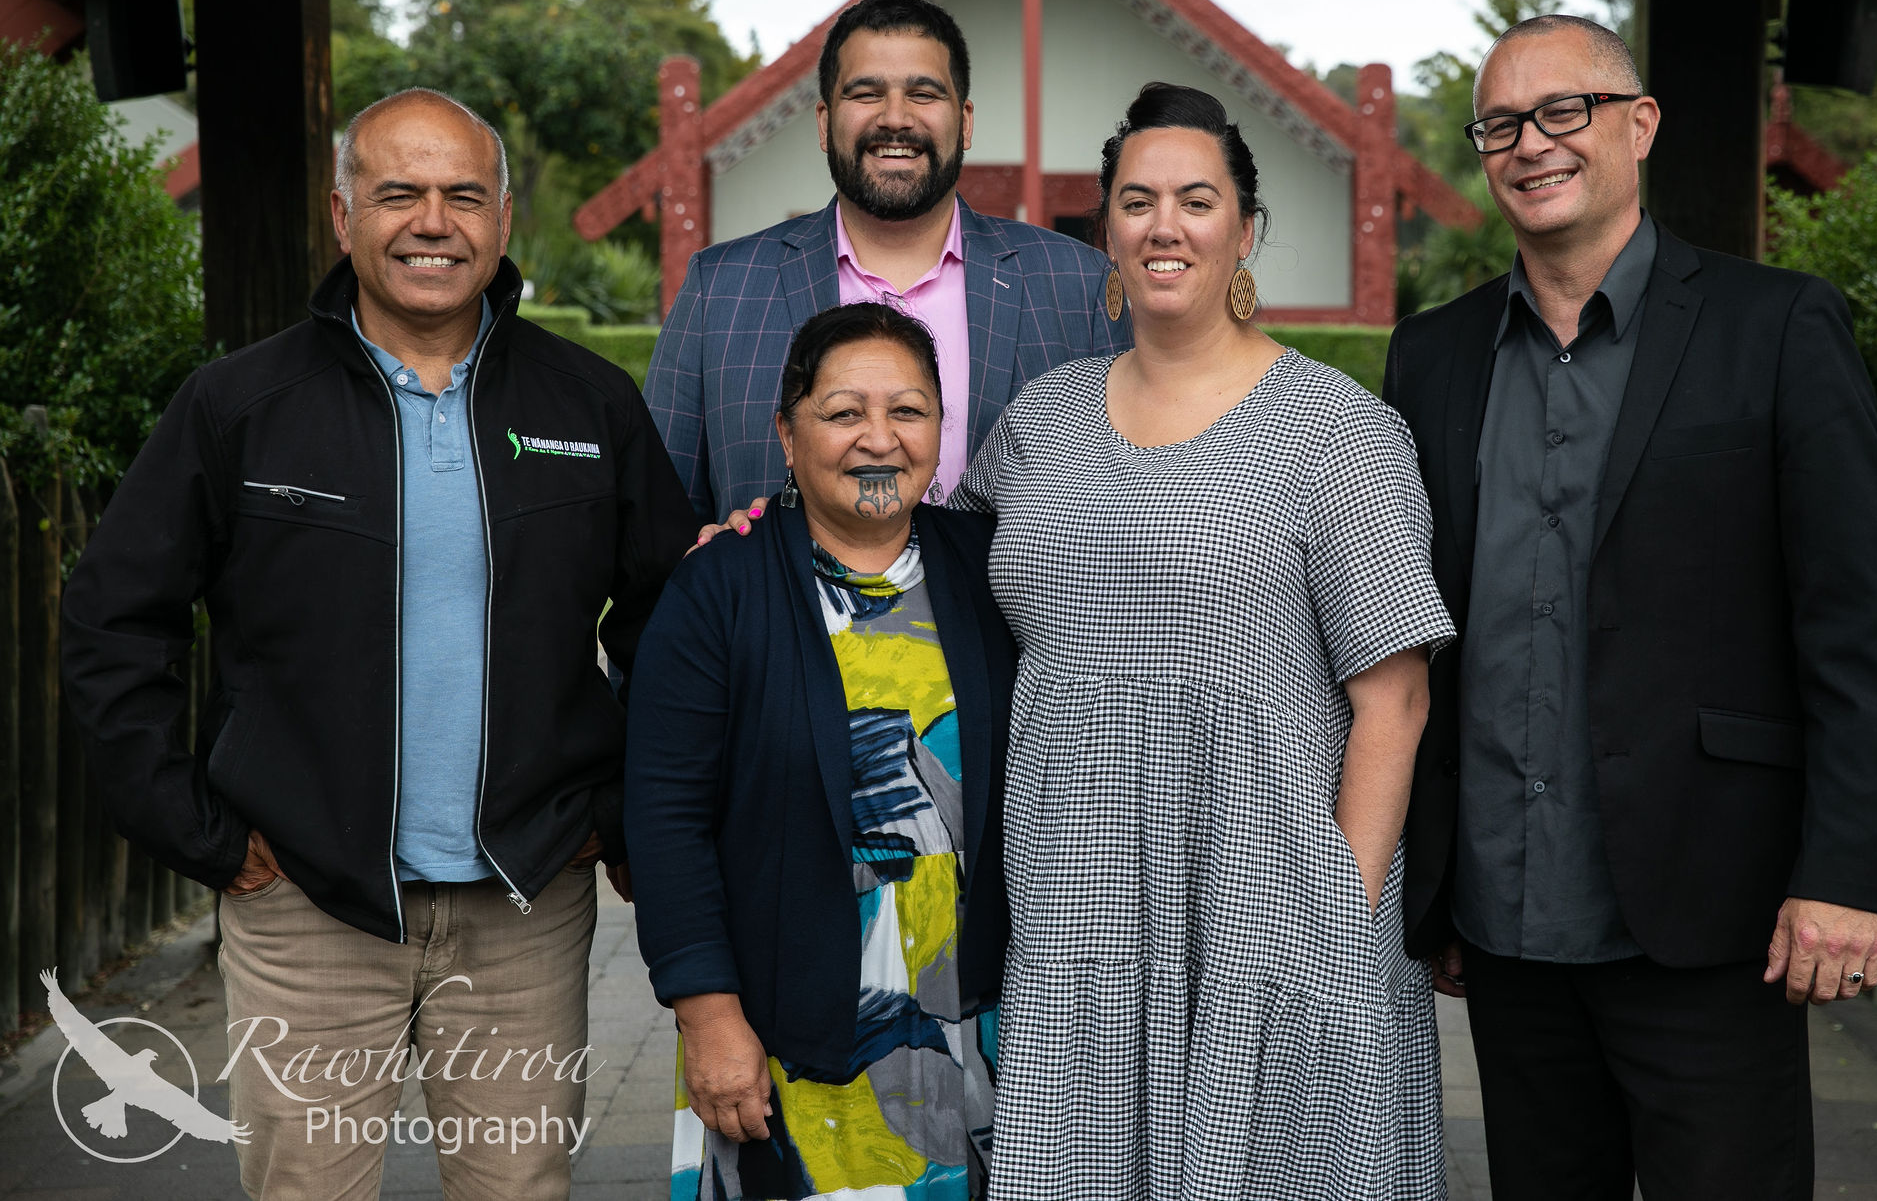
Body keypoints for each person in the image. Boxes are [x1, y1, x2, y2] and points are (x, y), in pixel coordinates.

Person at [60, 88, 691, 1200]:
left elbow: (671, 624)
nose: (431, 222)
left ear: (502, 220)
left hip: (522, 912)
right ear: (343, 211)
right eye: (398, 193)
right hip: (305, 902)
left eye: (462, 195)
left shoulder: (589, 404)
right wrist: (193, 825)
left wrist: (610, 814)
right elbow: (114, 618)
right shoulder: (239, 406)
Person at [1381, 15, 1877, 1200]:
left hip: (1712, 911)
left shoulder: (1775, 326)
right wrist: (1432, 877)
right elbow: (1420, 631)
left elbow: (1859, 631)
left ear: (1638, 124)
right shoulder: (1431, 357)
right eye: (1500, 125)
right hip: (1506, 921)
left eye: (1561, 111)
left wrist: (1843, 872)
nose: (1531, 144)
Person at [953, 83, 1457, 1198]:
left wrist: (1340, 907)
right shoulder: (1036, 423)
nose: (1163, 226)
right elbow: (931, 593)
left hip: (1268, 900)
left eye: (1194, 199)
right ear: (1105, 231)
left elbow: (1395, 700)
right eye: (1135, 202)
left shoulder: (1338, 433)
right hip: (1076, 905)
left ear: (1242, 227)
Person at [626, 302, 1014, 1200]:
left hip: (975, 1026)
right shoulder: (719, 586)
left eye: (908, 411)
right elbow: (666, 816)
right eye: (843, 412)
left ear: (941, 430)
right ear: (787, 434)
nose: (878, 438)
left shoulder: (988, 567)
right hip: (782, 1029)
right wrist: (707, 1013)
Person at [642, 0, 1125, 532]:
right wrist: (707, 563)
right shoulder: (722, 290)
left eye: (923, 93)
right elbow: (655, 526)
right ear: (824, 122)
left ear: (965, 122)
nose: (896, 119)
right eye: (866, 92)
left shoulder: (1079, 286)